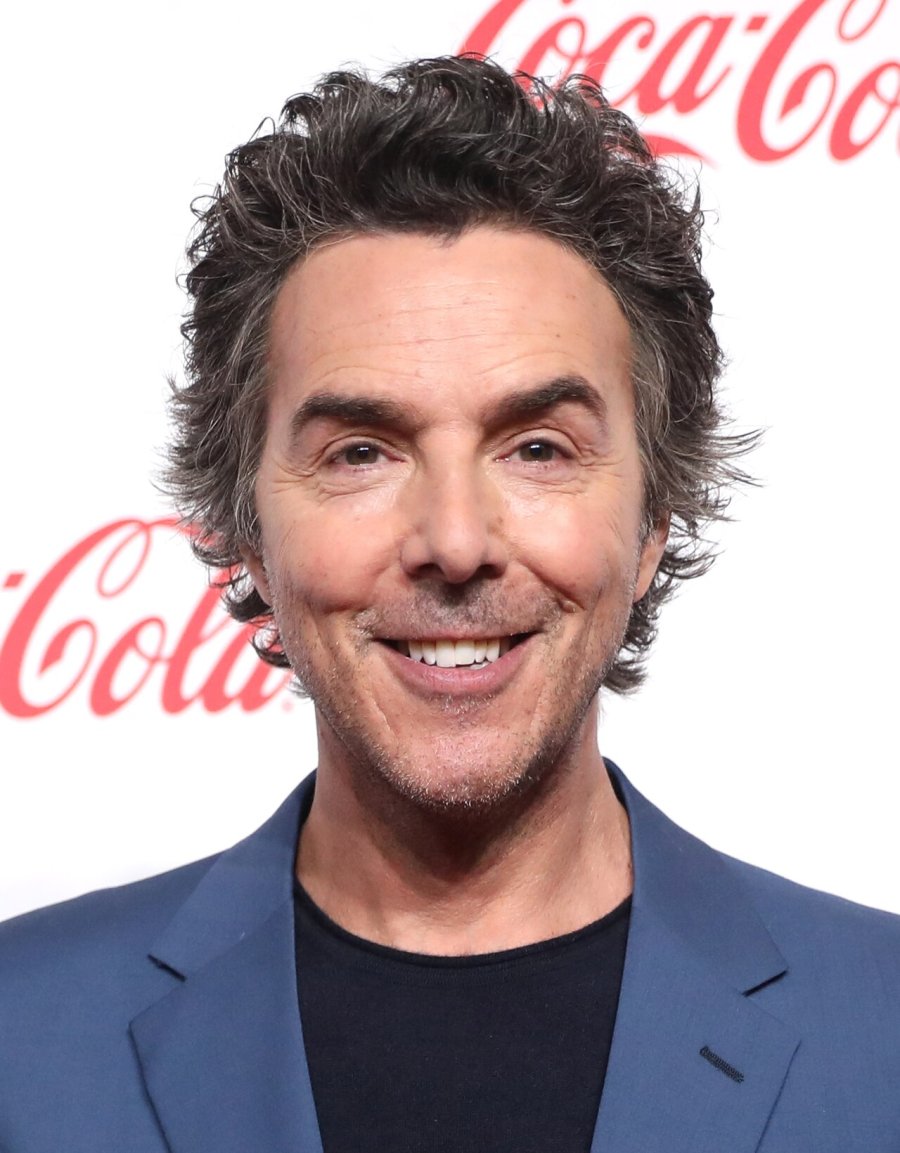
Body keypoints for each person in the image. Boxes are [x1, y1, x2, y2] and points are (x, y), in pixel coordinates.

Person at [1, 55, 898, 1153]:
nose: (457, 542)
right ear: (247, 535)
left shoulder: (882, 1025)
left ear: (653, 520)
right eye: (361, 451)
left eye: (538, 448)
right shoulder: (20, 1034)